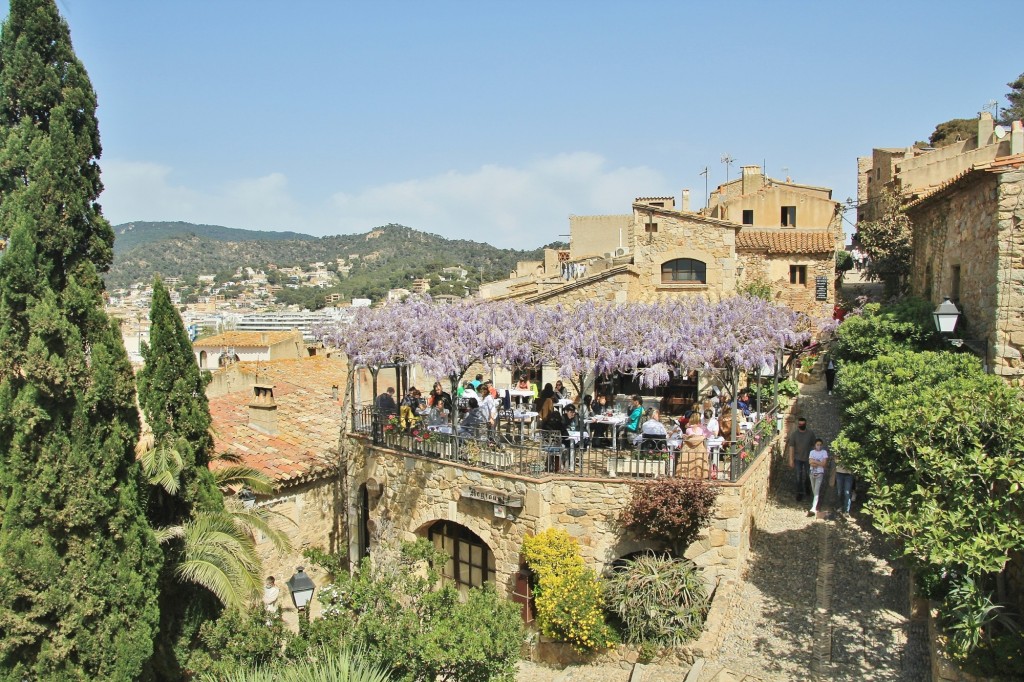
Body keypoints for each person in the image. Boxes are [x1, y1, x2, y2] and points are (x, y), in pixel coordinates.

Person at [786, 417, 817, 501]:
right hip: (798, 458)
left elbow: (815, 445)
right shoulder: (794, 435)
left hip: (808, 458)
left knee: (808, 475)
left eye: (803, 424)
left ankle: (807, 488)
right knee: (798, 476)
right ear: (798, 425)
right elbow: (791, 447)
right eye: (800, 424)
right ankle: (799, 492)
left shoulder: (810, 434)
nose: (801, 425)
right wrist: (791, 459)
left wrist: (816, 457)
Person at [808, 438, 829, 515]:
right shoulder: (812, 452)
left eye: (820, 445)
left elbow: (824, 464)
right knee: (814, 490)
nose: (819, 446)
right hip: (812, 473)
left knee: (816, 491)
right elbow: (810, 462)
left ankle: (813, 508)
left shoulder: (824, 452)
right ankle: (816, 503)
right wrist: (819, 462)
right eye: (817, 445)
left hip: (820, 474)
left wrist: (814, 461)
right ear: (815, 445)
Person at [832, 450, 854, 516]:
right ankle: (840, 507)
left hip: (849, 474)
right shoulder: (838, 448)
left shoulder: (852, 449)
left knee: (847, 492)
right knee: (840, 492)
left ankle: (846, 510)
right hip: (839, 473)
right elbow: (836, 461)